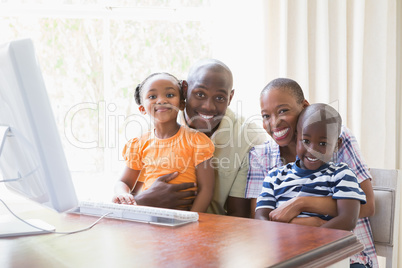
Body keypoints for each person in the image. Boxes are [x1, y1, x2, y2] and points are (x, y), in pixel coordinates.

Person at [246, 78, 378, 267]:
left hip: (346, 254)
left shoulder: (336, 136)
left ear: (303, 106)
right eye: (266, 116)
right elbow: (261, 219)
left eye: (283, 110)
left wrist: (302, 203)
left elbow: (366, 205)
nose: (274, 122)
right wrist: (303, 227)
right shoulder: (264, 160)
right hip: (286, 253)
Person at [116, 59, 267, 217]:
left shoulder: (251, 139)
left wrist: (189, 222)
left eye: (220, 98)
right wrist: (143, 201)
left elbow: (239, 215)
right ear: (186, 90)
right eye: (200, 94)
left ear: (230, 97)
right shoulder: (153, 128)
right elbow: (129, 187)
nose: (208, 106)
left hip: (208, 230)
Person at [112, 72, 215, 212]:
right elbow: (123, 182)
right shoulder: (139, 144)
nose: (161, 100)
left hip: (184, 220)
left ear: (181, 104)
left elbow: (206, 190)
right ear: (142, 108)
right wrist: (122, 194)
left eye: (170, 95)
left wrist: (192, 219)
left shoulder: (197, 140)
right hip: (149, 218)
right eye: (152, 96)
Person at [255, 103, 366, 232]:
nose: (313, 150)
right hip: (283, 246)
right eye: (306, 141)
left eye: (323, 143)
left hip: (323, 249)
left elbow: (348, 220)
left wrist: (312, 239)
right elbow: (261, 219)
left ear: (337, 145)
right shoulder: (274, 177)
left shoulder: (342, 175)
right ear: (296, 137)